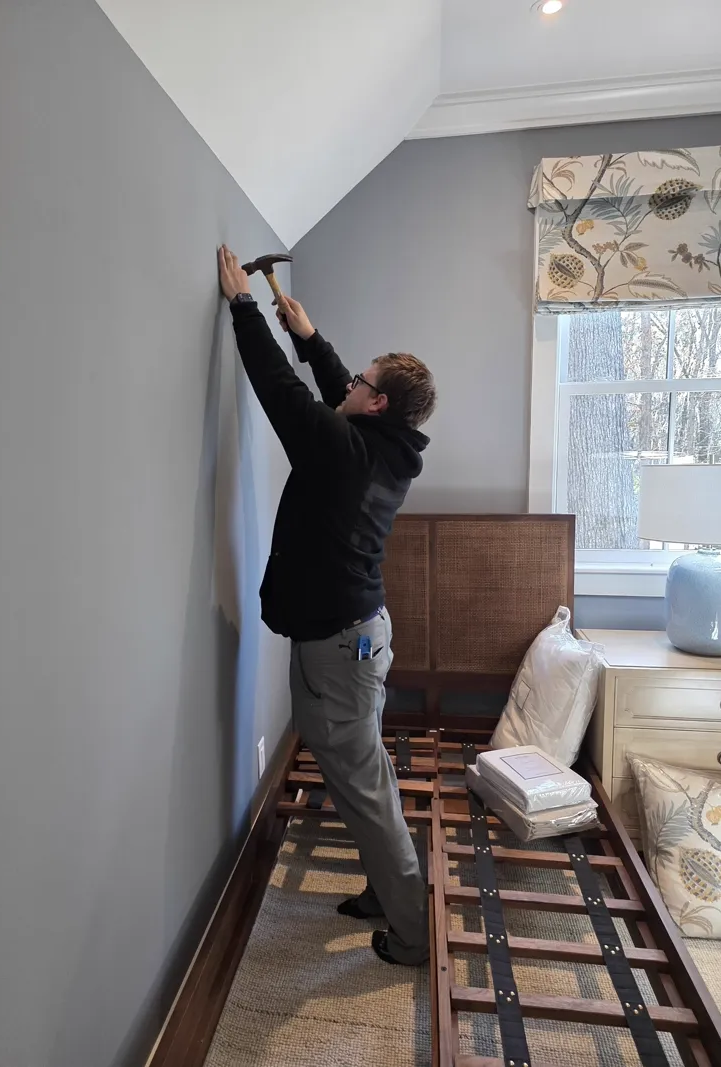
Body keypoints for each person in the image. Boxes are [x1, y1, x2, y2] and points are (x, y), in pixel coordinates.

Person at [218, 245, 436, 965]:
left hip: (339, 650)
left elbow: (284, 394)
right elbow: (339, 388)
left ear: (377, 404)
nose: (352, 383)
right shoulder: (391, 443)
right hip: (358, 638)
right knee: (363, 775)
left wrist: (245, 308)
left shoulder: (344, 448)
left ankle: (411, 932)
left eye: (364, 381)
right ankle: (385, 888)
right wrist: (308, 336)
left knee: (364, 787)